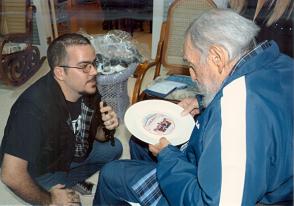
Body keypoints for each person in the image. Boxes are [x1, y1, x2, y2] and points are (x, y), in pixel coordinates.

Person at [94, 9, 293, 205]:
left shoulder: (236, 113)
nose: (193, 75)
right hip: (251, 177)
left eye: (192, 65)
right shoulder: (280, 63)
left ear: (217, 57)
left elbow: (211, 202)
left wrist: (168, 157)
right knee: (139, 143)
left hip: (206, 193)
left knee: (111, 174)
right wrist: (202, 101)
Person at [0, 33, 123, 205]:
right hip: (47, 167)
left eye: (94, 63)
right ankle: (59, 188)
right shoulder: (31, 108)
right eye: (84, 66)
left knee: (115, 148)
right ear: (60, 72)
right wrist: (49, 200)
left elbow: (99, 135)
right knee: (71, 203)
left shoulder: (87, 87)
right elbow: (10, 175)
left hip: (73, 150)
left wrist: (108, 127)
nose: (94, 71)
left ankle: (71, 184)